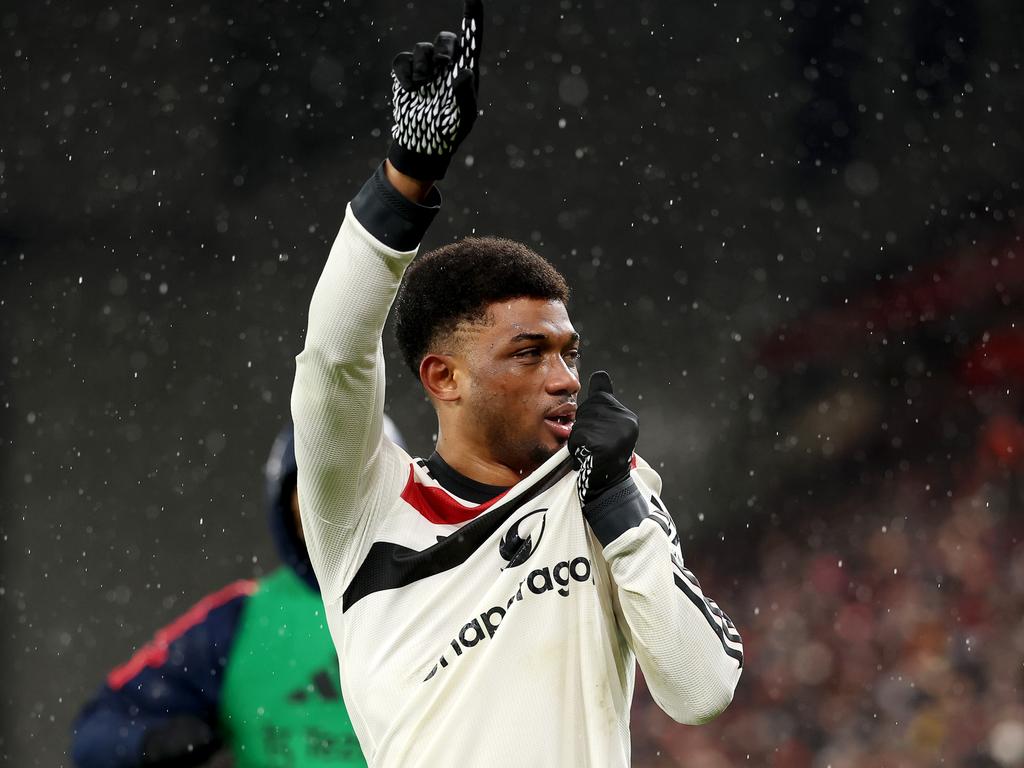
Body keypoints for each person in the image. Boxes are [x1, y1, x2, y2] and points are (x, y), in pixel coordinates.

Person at [290, 1, 744, 765]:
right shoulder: (365, 513)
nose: (565, 379)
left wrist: (619, 508)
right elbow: (333, 358)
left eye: (568, 353)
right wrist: (405, 180)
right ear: (444, 377)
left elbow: (701, 692)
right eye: (529, 353)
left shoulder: (606, 489)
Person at [71, 419, 405, 768]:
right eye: (313, 484)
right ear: (287, 502)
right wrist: (151, 742)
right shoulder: (239, 620)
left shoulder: (446, 599)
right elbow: (99, 730)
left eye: (349, 482)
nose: (329, 507)